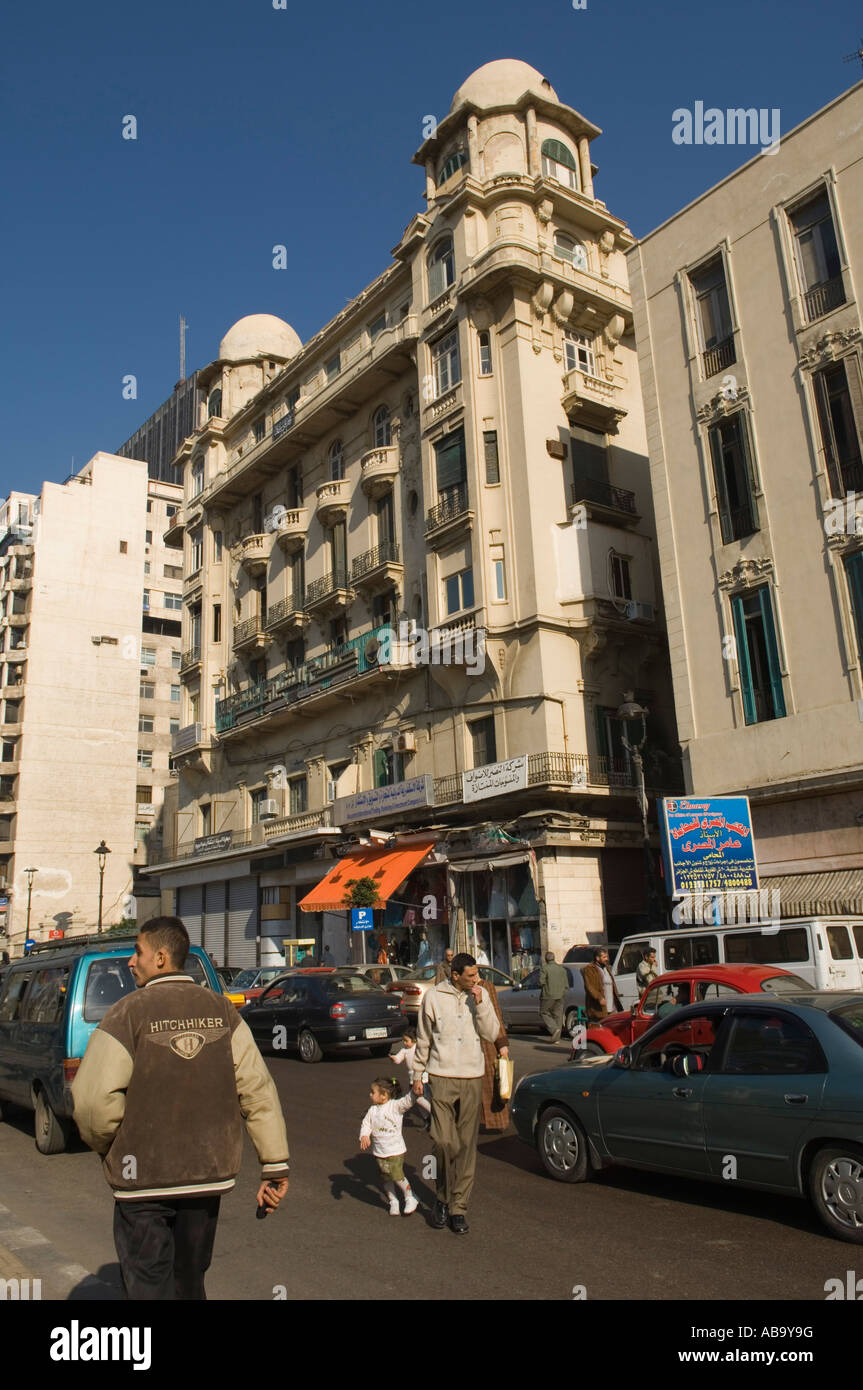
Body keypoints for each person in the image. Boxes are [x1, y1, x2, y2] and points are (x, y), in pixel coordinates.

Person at [72, 917, 290, 1300]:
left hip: (141, 1183)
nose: (130, 961)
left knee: (147, 1286)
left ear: (159, 957)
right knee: (189, 1282)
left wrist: (111, 1148)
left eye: (136, 952)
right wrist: (274, 1164)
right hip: (205, 1179)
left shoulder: (125, 1014)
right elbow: (257, 1090)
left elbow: (92, 1105)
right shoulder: (223, 1011)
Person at [413, 952, 500, 1235]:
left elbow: (491, 1033)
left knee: (465, 1146)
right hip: (441, 1077)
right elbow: (423, 1038)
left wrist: (481, 1004)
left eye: (477, 975)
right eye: (472, 976)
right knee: (442, 1142)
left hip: (472, 1077)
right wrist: (417, 1075)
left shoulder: (481, 995)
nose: (477, 980)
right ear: (455, 975)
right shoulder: (434, 997)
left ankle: (458, 1207)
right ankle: (441, 1197)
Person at [359, 1077, 419, 1216]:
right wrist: (364, 1135)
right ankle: (393, 1201)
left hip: (395, 1150)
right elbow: (366, 1124)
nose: (370, 1094)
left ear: (384, 1095)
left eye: (372, 1092)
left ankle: (410, 1197)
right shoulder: (372, 1110)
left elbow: (407, 1101)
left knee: (397, 1175)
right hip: (380, 1152)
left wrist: (415, 1092)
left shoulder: (394, 1106)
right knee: (386, 1178)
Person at [478, 980, 510, 1132]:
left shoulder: (485, 986)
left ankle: (497, 1122)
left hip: (487, 1041)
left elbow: (495, 1014)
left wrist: (502, 1044)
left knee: (493, 1083)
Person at [390, 1031, 431, 1124]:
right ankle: (427, 1118)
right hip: (412, 1079)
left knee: (419, 1098)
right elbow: (398, 1059)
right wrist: (394, 1058)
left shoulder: (418, 1048)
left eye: (406, 1041)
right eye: (404, 1041)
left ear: (414, 1040)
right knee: (418, 1100)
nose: (405, 1043)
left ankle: (433, 1114)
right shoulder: (404, 1050)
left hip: (422, 1078)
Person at [581, 946, 622, 1023]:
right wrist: (599, 998)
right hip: (598, 1008)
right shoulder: (589, 969)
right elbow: (589, 986)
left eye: (607, 957)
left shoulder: (606, 968)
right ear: (597, 958)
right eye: (604, 957)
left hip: (611, 1007)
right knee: (598, 1030)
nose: (607, 959)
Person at [539, 951, 569, 1043]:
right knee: (558, 1015)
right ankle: (556, 1038)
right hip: (560, 995)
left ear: (546, 959)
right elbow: (566, 984)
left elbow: (541, 982)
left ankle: (554, 1029)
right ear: (554, 958)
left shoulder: (545, 968)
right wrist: (562, 992)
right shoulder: (562, 969)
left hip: (548, 995)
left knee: (543, 1012)